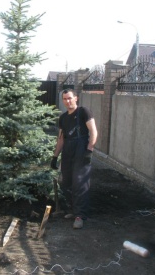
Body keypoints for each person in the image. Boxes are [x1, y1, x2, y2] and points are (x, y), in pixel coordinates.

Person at [51, 89, 97, 229]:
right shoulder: (63, 118)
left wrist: (89, 150)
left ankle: (80, 216)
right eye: (65, 99)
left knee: (79, 183)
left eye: (70, 98)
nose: (67, 101)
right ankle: (73, 210)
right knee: (66, 182)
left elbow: (93, 131)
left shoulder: (84, 112)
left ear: (75, 98)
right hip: (68, 150)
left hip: (81, 149)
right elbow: (61, 139)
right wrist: (55, 156)